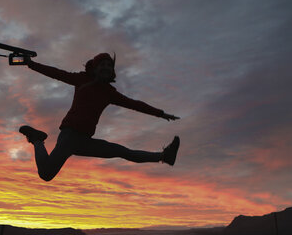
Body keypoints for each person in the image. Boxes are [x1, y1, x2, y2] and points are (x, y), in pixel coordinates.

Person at [19, 53, 180, 181]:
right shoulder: (82, 79)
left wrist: (160, 113)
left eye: (109, 65)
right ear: (95, 68)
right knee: (46, 174)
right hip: (69, 136)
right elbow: (56, 73)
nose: (106, 67)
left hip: (85, 141)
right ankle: (37, 139)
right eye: (102, 64)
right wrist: (31, 64)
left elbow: (134, 104)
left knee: (123, 152)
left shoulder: (110, 92)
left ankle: (165, 156)